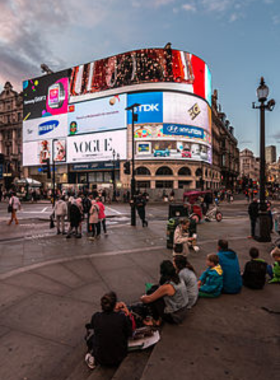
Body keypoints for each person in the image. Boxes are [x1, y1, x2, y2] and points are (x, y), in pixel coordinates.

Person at [85, 291, 132, 369]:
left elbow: (94, 327)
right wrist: (127, 313)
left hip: (101, 358)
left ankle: (92, 358)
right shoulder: (121, 317)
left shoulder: (96, 317)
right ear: (115, 305)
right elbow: (130, 333)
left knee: (93, 338)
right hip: (119, 356)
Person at [140, 260, 189, 326]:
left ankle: (156, 321)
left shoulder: (167, 286)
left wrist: (142, 297)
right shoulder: (178, 277)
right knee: (155, 288)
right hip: (184, 310)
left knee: (155, 299)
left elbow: (149, 299)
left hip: (175, 316)